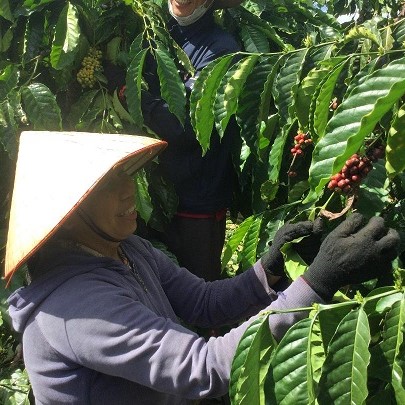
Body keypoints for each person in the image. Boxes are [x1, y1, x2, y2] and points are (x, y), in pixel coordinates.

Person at [5, 130, 400, 404]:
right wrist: (318, 282)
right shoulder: (75, 306)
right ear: (67, 213)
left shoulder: (128, 249)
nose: (128, 190)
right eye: (104, 186)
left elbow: (205, 302)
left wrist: (271, 267)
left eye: (124, 176)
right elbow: (202, 368)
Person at [114, 0, 245, 281]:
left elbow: (182, 126)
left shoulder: (222, 50)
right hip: (152, 192)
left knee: (198, 291)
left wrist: (131, 94)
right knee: (153, 286)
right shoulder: (157, 34)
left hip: (196, 200)